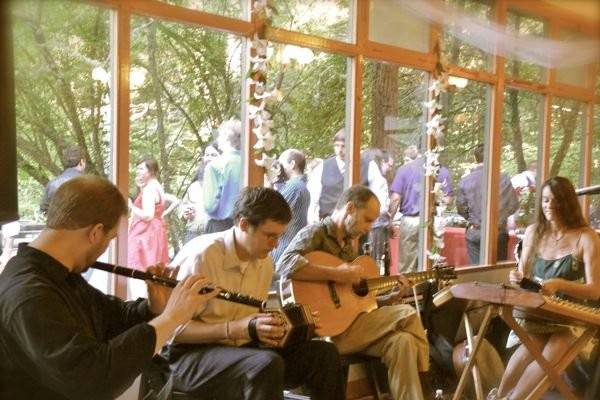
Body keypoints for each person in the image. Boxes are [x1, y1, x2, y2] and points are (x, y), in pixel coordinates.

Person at [0, 175, 218, 400]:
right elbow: (92, 378)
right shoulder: (29, 292)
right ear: (95, 232)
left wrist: (154, 308)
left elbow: (112, 316)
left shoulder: (59, 274)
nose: (107, 246)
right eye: (111, 238)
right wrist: (171, 318)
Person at [162, 187, 345, 400]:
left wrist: (292, 330)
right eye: (269, 236)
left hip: (241, 348)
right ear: (244, 224)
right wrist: (235, 329)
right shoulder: (202, 257)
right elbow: (172, 329)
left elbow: (252, 323)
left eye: (279, 236)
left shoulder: (264, 261)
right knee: (265, 364)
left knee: (324, 355)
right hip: (188, 356)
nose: (275, 244)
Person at [277, 185, 430, 400]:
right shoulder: (316, 233)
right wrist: (336, 273)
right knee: (407, 313)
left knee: (403, 342)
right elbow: (284, 264)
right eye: (367, 219)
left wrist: (391, 297)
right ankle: (429, 385)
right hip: (326, 333)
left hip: (351, 327)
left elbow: (358, 303)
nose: (369, 228)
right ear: (350, 208)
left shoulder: (349, 247)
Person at [492, 176, 600, 400]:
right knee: (526, 351)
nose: (549, 206)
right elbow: (522, 273)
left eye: (555, 200)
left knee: (550, 354)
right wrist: (516, 278)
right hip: (538, 312)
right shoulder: (533, 232)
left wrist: (560, 284)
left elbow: (595, 290)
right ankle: (498, 396)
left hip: (574, 319)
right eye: (545, 200)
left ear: (568, 203)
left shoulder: (586, 237)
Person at [388, 153, 453, 272]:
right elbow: (448, 199)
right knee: (431, 263)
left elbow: (396, 197)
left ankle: (407, 289)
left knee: (407, 266)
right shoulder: (442, 171)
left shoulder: (405, 169)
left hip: (410, 221)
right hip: (433, 221)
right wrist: (435, 199)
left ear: (418, 150)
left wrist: (390, 220)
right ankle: (431, 289)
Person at [456, 144, 519, 264]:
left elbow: (460, 207)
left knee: (476, 275)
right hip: (497, 232)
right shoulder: (503, 178)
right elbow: (513, 205)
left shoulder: (466, 180)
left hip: (475, 232)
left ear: (476, 158)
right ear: (493, 157)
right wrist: (500, 217)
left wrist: (475, 220)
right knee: (496, 275)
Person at [128, 157, 175, 271]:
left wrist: (131, 206)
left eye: (141, 169)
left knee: (139, 266)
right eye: (137, 168)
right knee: (155, 264)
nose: (138, 171)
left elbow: (148, 215)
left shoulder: (149, 189)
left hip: (145, 233)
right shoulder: (157, 186)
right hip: (156, 230)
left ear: (151, 170)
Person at [271, 149, 311, 263]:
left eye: (282, 162)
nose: (279, 167)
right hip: (291, 247)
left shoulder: (293, 187)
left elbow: (271, 211)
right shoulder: (301, 187)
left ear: (292, 164)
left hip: (283, 248)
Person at [203, 119, 242, 233]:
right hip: (245, 226)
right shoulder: (251, 165)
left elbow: (209, 205)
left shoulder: (214, 166)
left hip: (219, 227)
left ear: (225, 138)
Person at [180, 142, 221, 243]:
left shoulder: (226, 182)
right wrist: (185, 212)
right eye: (207, 155)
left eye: (213, 155)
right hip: (193, 235)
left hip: (215, 237)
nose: (209, 158)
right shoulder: (195, 185)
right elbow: (183, 205)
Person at [307, 128, 346, 223]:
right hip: (327, 224)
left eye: (343, 146)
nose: (340, 150)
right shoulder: (322, 167)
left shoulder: (362, 167)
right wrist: (313, 222)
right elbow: (313, 198)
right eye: (337, 146)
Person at [359, 148, 391, 263]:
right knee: (375, 261)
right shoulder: (379, 180)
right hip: (376, 228)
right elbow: (382, 208)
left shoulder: (361, 177)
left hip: (364, 225)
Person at [40, 144, 86, 215]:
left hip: (58, 225)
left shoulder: (52, 184)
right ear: (82, 162)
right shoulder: (89, 183)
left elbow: (44, 210)